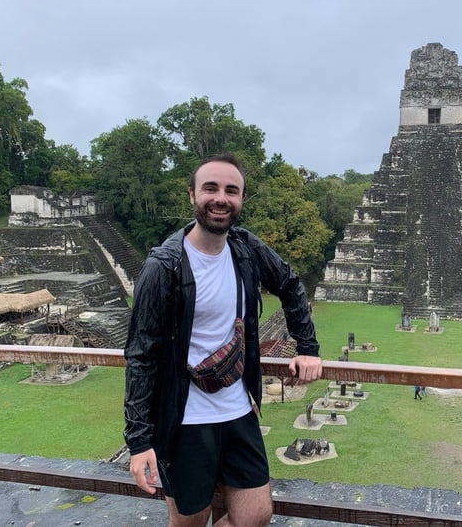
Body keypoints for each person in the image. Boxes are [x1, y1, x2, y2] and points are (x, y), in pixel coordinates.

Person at [124, 153, 323, 527]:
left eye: (232, 190)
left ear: (242, 198)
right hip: (185, 418)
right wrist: (138, 441)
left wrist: (307, 348)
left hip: (238, 409)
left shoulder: (245, 248)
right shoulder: (163, 266)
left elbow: (290, 284)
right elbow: (141, 355)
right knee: (190, 520)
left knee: (255, 515)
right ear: (192, 195)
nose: (221, 198)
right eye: (210, 188)